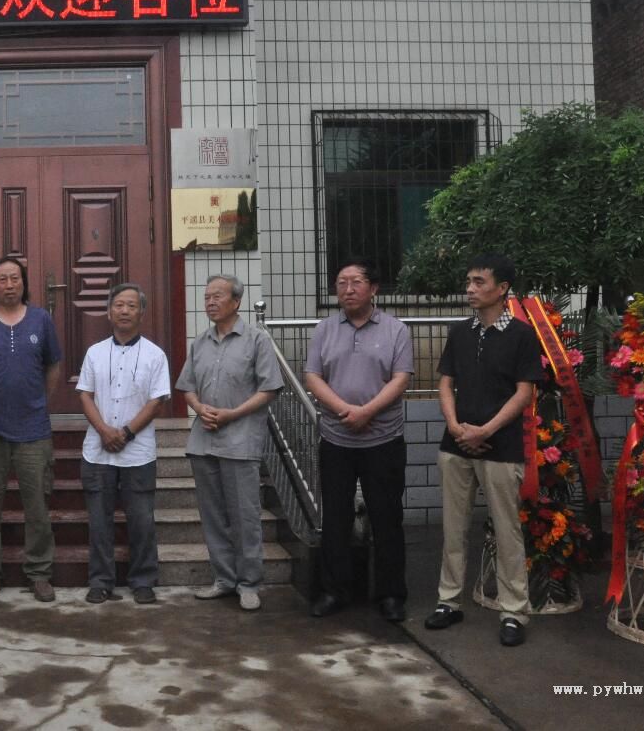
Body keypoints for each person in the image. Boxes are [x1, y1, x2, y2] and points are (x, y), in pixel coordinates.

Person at [424, 253, 543, 647]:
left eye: (479, 282)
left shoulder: (522, 335)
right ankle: (448, 601)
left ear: (502, 288)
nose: (470, 289)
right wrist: (455, 425)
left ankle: (513, 612)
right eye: (468, 282)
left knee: (506, 530)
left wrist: (486, 430)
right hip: (456, 444)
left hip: (501, 446)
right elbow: (445, 383)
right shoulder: (460, 332)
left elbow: (524, 393)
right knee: (453, 528)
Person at [303, 258, 413, 622]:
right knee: (336, 517)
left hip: (384, 439)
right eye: (341, 283)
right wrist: (345, 411)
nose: (347, 289)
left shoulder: (396, 330)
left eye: (356, 282)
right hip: (336, 440)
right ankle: (334, 591)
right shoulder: (324, 329)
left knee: (387, 517)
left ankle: (391, 594)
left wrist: (367, 412)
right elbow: (313, 377)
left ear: (374, 288)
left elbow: (401, 378)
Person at [176, 274, 282, 612]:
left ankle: (249, 583)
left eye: (217, 296)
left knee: (244, 516)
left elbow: (269, 389)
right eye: (207, 296)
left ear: (236, 302)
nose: (210, 302)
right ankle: (224, 578)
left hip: (240, 441)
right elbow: (187, 386)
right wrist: (198, 407)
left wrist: (232, 414)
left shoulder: (256, 340)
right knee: (213, 516)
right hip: (204, 441)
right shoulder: (200, 343)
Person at [0, 256, 62, 602]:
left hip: (34, 429)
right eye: (2, 279)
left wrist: (39, 402)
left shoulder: (41, 319)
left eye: (15, 278)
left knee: (37, 508)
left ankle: (39, 573)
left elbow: (53, 366)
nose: (9, 285)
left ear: (24, 283)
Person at [77, 283, 170, 605]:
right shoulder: (95, 352)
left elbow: (157, 402)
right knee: (99, 522)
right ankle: (100, 581)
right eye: (119, 305)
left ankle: (143, 580)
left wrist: (126, 433)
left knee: (142, 520)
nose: (125, 310)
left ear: (141, 313)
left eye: (131, 305)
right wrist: (104, 431)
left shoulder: (155, 355)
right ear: (109, 312)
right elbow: (85, 395)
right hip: (98, 451)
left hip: (138, 453)